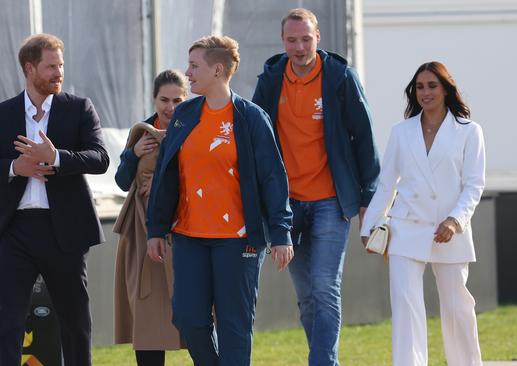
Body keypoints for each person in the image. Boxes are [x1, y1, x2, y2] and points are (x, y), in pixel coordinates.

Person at [0, 33, 109, 366]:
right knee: (9, 320)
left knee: (76, 322)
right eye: (51, 66)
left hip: (66, 232)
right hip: (18, 232)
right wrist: (16, 166)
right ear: (30, 68)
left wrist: (56, 158)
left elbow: (100, 158)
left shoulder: (78, 108)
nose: (59, 73)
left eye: (61, 66)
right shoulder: (2, 114)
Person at [146, 36, 294, 366]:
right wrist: (155, 228)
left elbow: (273, 177)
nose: (187, 73)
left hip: (238, 241)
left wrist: (282, 233)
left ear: (217, 69)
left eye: (194, 66)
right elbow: (165, 175)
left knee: (234, 328)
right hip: (188, 237)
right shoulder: (184, 115)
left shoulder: (251, 117)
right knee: (188, 319)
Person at [251, 8, 380, 365]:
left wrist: (368, 196)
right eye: (292, 40)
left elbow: (365, 139)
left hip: (330, 203)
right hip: (286, 207)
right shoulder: (271, 78)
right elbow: (256, 142)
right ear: (283, 41)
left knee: (325, 288)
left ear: (318, 37)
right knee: (307, 296)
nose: (299, 46)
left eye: (306, 39)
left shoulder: (340, 77)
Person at [361, 61, 485, 366]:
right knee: (405, 308)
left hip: (449, 230)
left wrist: (455, 221)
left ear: (445, 89)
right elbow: (387, 182)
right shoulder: (401, 131)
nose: (425, 92)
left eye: (432, 86)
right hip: (406, 227)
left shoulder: (469, 132)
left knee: (457, 308)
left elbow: (474, 185)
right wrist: (371, 226)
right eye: (419, 87)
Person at [113, 70, 188, 366]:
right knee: (146, 316)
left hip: (184, 230)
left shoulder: (195, 128)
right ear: (154, 99)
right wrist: (133, 153)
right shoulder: (142, 132)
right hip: (143, 234)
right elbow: (121, 181)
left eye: (177, 100)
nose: (170, 107)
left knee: (196, 318)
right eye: (164, 100)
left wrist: (159, 182)